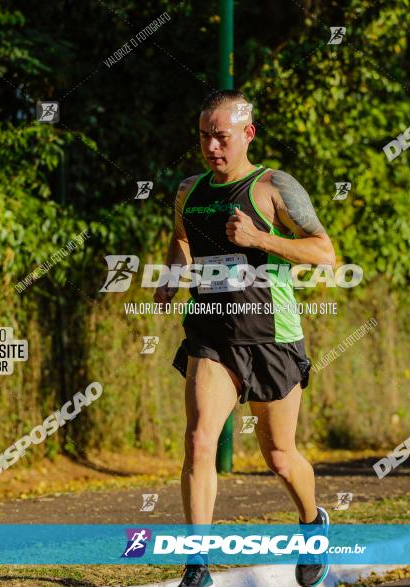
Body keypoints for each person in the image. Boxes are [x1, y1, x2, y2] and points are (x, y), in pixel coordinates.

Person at [154, 89, 337, 587]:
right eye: (204, 137)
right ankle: (198, 565)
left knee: (279, 455)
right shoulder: (189, 190)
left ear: (247, 134)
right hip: (210, 333)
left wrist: (260, 239)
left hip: (271, 336)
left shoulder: (274, 186)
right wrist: (174, 275)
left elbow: (325, 254)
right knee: (198, 442)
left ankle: (311, 523)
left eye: (222, 137)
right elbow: (182, 239)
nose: (213, 147)